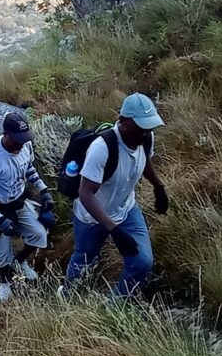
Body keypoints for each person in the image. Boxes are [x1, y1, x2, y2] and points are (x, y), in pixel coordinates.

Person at [63, 93, 168, 297]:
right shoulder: (102, 148)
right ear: (123, 122)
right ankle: (68, 294)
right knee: (84, 260)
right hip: (92, 217)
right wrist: (114, 230)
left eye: (149, 128)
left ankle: (116, 305)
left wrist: (158, 186)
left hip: (126, 209)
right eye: (140, 128)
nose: (145, 134)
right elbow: (85, 193)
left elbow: (144, 159)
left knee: (142, 261)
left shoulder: (145, 137)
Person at [0, 110, 54, 303]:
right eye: (17, 139)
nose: (21, 143)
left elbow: (28, 168)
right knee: (1, 253)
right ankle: (5, 281)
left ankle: (21, 260)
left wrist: (43, 189)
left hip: (18, 200)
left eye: (24, 138)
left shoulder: (25, 145)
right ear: (5, 134)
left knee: (39, 235)